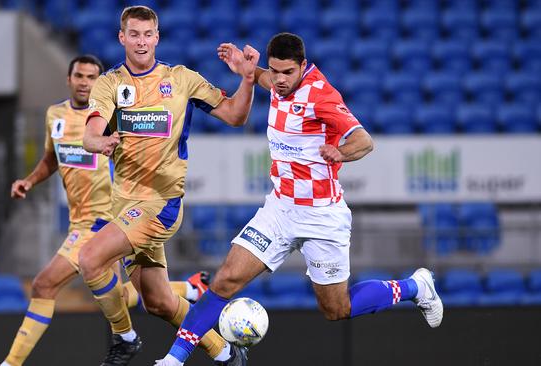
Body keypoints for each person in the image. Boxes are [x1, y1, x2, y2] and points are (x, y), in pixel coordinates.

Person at [155, 33, 444, 366]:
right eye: (275, 71)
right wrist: (245, 71)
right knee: (224, 280)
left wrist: (341, 152)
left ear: (303, 66)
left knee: (337, 309)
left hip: (322, 215)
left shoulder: (322, 96)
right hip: (279, 209)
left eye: (287, 73)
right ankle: (173, 360)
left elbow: (364, 141)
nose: (279, 80)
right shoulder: (277, 80)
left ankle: (415, 286)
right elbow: (266, 78)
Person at [0, 55, 211, 366]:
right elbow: (51, 158)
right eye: (79, 76)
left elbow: (142, 157)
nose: (85, 82)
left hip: (107, 219)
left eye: (91, 77)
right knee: (122, 296)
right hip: (79, 221)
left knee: (45, 284)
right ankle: (188, 290)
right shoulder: (54, 115)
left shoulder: (113, 112)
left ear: (100, 81)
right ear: (69, 79)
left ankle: (13, 363)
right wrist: (30, 181)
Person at [80, 5, 258, 366]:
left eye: (148, 34)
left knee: (89, 259)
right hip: (124, 206)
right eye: (134, 34)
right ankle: (225, 352)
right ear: (122, 37)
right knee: (158, 302)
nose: (141, 42)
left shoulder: (182, 79)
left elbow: (236, 116)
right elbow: (92, 131)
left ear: (157, 37)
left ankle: (124, 336)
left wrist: (248, 79)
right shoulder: (110, 83)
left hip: (160, 204)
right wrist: (98, 142)